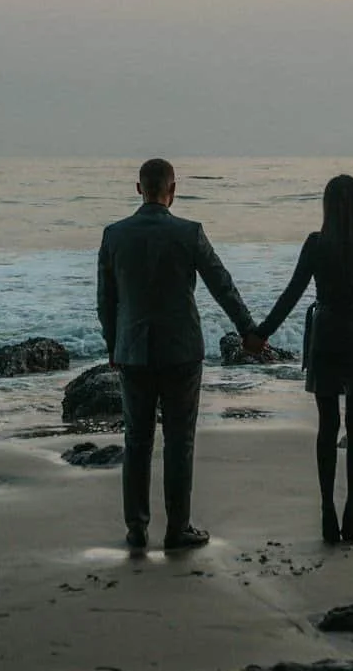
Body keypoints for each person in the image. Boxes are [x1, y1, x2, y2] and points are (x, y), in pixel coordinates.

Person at [96, 157, 265, 551]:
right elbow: (222, 285)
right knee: (179, 441)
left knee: (136, 440)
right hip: (182, 350)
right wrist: (248, 331)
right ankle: (178, 528)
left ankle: (136, 527)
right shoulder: (190, 233)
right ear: (173, 190)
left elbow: (106, 301)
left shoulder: (115, 235)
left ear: (139, 189)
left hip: (133, 350)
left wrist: (113, 346)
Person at [253, 173, 353, 544]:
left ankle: (327, 510)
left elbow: (292, 294)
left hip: (327, 330)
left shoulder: (317, 244)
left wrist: (260, 333)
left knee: (327, 426)